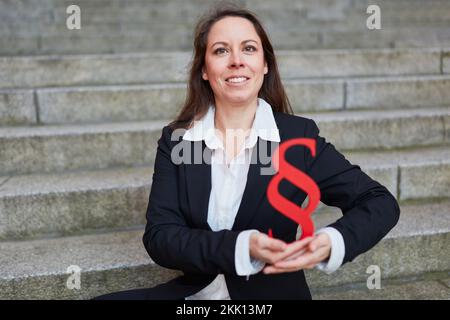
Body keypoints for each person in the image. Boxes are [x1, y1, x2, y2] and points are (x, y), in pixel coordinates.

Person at [94, 5, 400, 300]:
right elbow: (160, 237)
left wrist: (332, 241)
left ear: (265, 65)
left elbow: (379, 201)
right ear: (204, 69)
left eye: (249, 48)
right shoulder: (178, 140)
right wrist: (241, 246)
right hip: (197, 294)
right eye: (221, 50)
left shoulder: (297, 137)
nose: (236, 60)